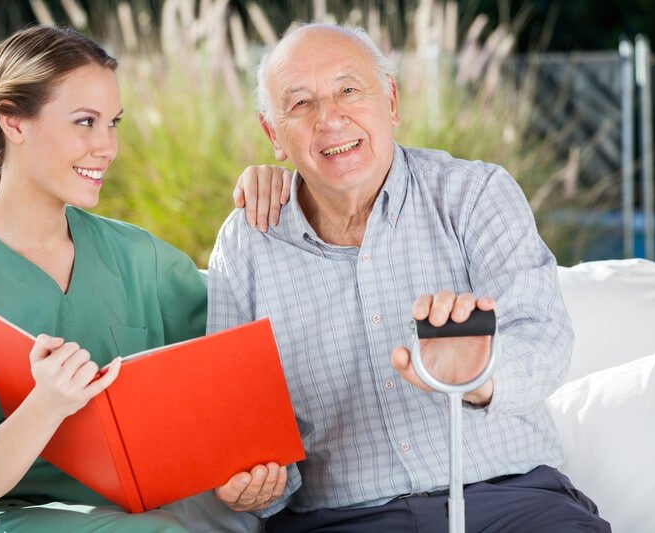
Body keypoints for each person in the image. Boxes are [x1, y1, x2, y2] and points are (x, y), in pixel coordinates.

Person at [0, 26, 289, 532]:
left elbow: (246, 356)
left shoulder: (137, 257)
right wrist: (46, 405)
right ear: (14, 122)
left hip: (110, 511)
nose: (107, 146)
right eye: (85, 122)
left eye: (113, 122)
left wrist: (283, 191)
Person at [208, 23, 611, 532]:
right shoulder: (247, 242)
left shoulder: (475, 194)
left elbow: (543, 336)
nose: (330, 118)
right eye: (301, 104)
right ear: (274, 135)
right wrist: (257, 485)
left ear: (391, 100)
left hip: (510, 500)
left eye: (349, 90)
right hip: (342, 521)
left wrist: (477, 375)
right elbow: (240, 419)